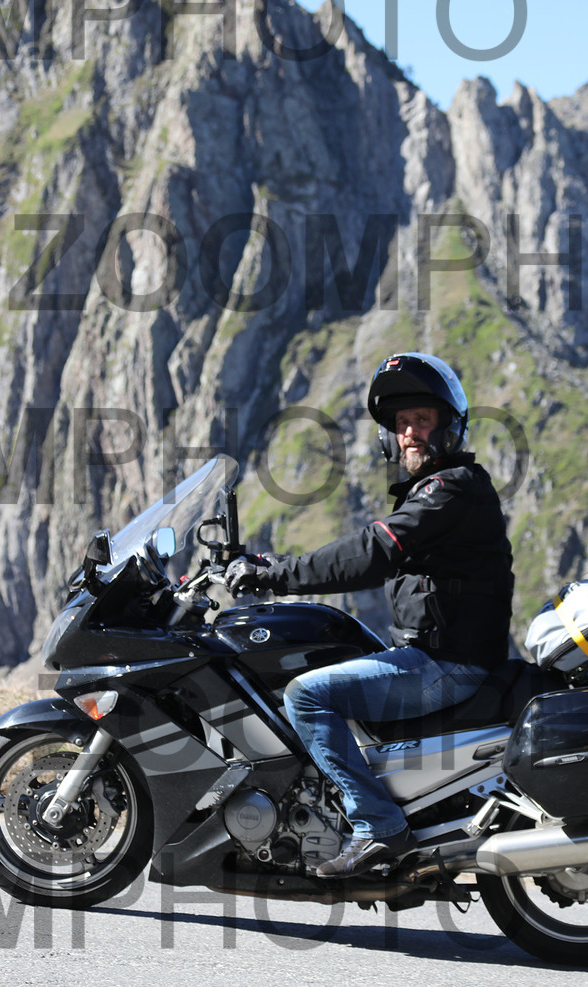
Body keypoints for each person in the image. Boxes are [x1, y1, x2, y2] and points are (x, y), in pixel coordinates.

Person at [226, 352, 514, 877]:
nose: (409, 433)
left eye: (421, 420)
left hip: (448, 664)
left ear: (449, 427)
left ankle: (378, 826)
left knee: (306, 695)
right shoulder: (443, 491)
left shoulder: (452, 488)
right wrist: (269, 564)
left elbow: (373, 551)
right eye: (401, 424)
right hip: (439, 656)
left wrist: (276, 577)